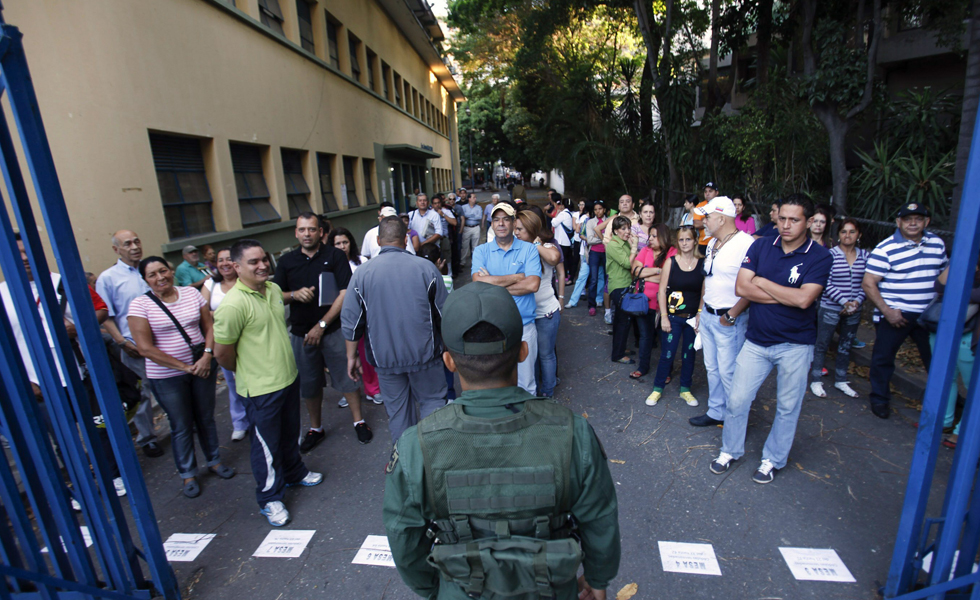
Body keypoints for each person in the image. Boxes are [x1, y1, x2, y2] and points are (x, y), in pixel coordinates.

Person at [382, 282, 621, 600]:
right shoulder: (573, 433)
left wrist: (436, 590)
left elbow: (404, 539)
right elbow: (599, 520)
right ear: (523, 352)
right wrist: (597, 579)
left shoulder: (416, 446)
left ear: (449, 361)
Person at [709, 194, 832, 484]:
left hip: (796, 344)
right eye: (782, 218)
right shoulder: (762, 245)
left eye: (795, 220)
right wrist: (785, 294)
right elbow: (742, 288)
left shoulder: (820, 256)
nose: (786, 225)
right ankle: (730, 450)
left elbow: (804, 300)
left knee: (788, 406)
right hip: (756, 341)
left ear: (809, 222)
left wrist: (762, 282)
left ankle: (772, 459)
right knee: (737, 400)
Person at [214, 239, 323, 526]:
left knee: (289, 435)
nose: (263, 265)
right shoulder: (233, 305)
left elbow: (282, 302)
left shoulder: (273, 290)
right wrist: (250, 369)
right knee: (265, 446)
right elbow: (223, 354)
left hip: (287, 378)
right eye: (254, 262)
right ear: (237, 267)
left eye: (264, 259)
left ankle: (295, 473)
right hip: (260, 389)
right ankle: (269, 498)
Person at [129, 256, 234, 498]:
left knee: (205, 417)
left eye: (163, 271)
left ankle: (214, 461)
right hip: (167, 376)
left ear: (171, 270)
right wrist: (184, 367)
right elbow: (145, 348)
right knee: (181, 424)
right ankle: (187, 473)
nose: (160, 277)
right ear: (145, 280)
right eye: (152, 274)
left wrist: (207, 356)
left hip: (203, 367)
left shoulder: (191, 294)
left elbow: (208, 327)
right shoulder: (139, 306)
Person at [341, 217, 449, 443]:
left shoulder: (362, 274)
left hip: (385, 360)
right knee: (433, 404)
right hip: (426, 356)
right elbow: (444, 314)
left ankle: (406, 464)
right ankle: (434, 459)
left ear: (379, 240)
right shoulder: (426, 269)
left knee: (399, 413)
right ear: (406, 239)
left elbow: (352, 321)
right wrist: (450, 349)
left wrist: (352, 356)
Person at [273, 213, 370, 448]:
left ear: (320, 232)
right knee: (309, 384)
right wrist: (294, 295)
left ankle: (359, 421)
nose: (307, 234)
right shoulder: (287, 262)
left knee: (348, 377)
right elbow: (274, 295)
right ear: (296, 233)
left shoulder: (334, 256)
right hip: (301, 334)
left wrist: (322, 325)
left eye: (312, 229)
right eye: (302, 229)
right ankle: (316, 428)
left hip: (333, 329)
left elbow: (345, 293)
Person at [862, 203, 948, 419]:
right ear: (898, 222)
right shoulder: (885, 249)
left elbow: (944, 277)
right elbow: (868, 282)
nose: (912, 223)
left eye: (918, 219)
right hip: (896, 312)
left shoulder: (937, 244)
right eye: (907, 219)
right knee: (883, 359)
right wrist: (887, 310)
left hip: (929, 314)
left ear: (926, 222)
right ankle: (880, 399)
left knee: (936, 360)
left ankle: (940, 408)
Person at [688, 197, 755, 428]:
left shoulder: (746, 243)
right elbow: (709, 278)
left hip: (729, 319)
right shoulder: (714, 243)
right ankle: (717, 411)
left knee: (729, 374)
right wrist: (700, 311)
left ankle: (736, 423)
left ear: (721, 218)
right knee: (713, 368)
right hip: (708, 315)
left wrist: (732, 315)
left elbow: (753, 284)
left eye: (707, 216)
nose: (703, 220)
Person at [96, 230, 163, 458]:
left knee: (172, 385)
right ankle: (147, 438)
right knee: (144, 392)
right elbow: (106, 314)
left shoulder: (150, 270)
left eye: (137, 241)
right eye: (127, 243)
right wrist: (121, 341)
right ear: (117, 250)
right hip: (134, 346)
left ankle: (182, 424)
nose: (134, 246)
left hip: (164, 341)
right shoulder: (108, 278)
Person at [472, 202, 542, 394]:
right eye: (496, 220)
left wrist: (492, 283)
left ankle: (526, 421)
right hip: (492, 327)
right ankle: (506, 422)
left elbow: (532, 285)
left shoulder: (529, 249)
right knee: (496, 381)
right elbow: (478, 283)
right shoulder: (481, 251)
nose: (501, 224)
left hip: (524, 326)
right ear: (492, 225)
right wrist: (517, 277)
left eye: (505, 219)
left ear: (513, 223)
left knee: (526, 383)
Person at [809, 218, 868, 399]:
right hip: (830, 307)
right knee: (822, 344)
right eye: (844, 232)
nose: (847, 235)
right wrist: (844, 301)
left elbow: (867, 282)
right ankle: (816, 379)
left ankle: (841, 379)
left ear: (859, 235)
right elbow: (825, 281)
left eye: (852, 232)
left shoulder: (865, 256)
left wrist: (856, 302)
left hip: (854, 309)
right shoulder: (830, 255)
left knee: (846, 345)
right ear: (838, 235)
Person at [647, 225, 703, 407]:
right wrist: (664, 316)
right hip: (672, 317)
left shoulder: (701, 262)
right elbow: (662, 290)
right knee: (667, 353)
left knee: (689, 354)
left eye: (688, 239)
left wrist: (700, 314)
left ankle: (685, 389)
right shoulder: (671, 262)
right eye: (681, 239)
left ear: (695, 240)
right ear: (677, 242)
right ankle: (657, 388)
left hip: (692, 317)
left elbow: (704, 291)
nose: (685, 243)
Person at [329, 227, 383, 407]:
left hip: (363, 316)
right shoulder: (328, 266)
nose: (342, 246)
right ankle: (350, 391)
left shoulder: (361, 262)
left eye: (345, 242)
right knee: (344, 357)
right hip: (338, 318)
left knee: (365, 354)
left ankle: (373, 389)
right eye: (337, 243)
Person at [201, 248, 249, 441]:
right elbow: (202, 311)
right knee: (232, 382)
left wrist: (221, 313)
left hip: (246, 338)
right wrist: (225, 314)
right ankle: (239, 422)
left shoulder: (245, 280)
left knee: (252, 380)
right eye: (220, 260)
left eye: (229, 259)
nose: (224, 263)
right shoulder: (210, 284)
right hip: (224, 340)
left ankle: (256, 416)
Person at [930, 265, 980, 449]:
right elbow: (940, 287)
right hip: (947, 329)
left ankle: (961, 431)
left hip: (971, 333)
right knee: (946, 377)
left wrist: (956, 292)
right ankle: (944, 421)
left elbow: (973, 295)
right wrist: (958, 261)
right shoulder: (965, 261)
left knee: (973, 387)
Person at [515, 211, 564, 398]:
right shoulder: (515, 250)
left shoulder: (545, 247)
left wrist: (535, 245)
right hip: (525, 315)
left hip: (546, 313)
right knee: (529, 358)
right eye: (516, 228)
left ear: (531, 230)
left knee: (546, 355)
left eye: (520, 229)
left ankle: (548, 392)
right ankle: (532, 392)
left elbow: (554, 258)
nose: (516, 232)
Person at [631, 223, 675, 379]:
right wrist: (658, 270)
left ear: (663, 237)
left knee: (665, 338)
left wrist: (645, 273)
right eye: (650, 235)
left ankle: (666, 371)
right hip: (644, 301)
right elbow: (635, 271)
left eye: (654, 236)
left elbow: (670, 277)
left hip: (664, 304)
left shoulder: (672, 252)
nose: (650, 239)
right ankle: (643, 367)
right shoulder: (645, 250)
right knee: (645, 336)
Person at [606, 216, 635, 365]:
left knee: (621, 320)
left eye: (628, 228)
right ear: (616, 231)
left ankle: (621, 348)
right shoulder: (613, 245)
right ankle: (618, 354)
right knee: (623, 321)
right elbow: (627, 263)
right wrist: (634, 247)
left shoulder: (623, 243)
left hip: (625, 284)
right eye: (623, 228)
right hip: (619, 286)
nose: (627, 231)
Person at [566, 199, 592, 308]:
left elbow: (577, 230)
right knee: (586, 274)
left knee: (592, 275)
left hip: (589, 250)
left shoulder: (585, 218)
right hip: (586, 250)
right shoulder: (586, 218)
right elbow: (578, 231)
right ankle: (577, 298)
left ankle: (576, 299)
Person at [585, 200, 608, 317]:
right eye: (595, 209)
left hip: (607, 253)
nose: (598, 211)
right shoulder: (590, 222)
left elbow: (612, 239)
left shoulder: (608, 221)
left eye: (600, 209)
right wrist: (604, 238)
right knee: (593, 279)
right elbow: (589, 240)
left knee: (607, 278)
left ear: (604, 209)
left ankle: (608, 305)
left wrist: (597, 236)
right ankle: (591, 305)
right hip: (594, 252)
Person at [550, 193, 577, 286]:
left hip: (561, 240)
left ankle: (564, 276)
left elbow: (553, 223)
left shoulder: (562, 214)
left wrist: (557, 213)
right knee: (568, 258)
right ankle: (568, 275)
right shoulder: (570, 214)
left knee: (563, 259)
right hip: (567, 241)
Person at [431, 195, 457, 276]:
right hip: (433, 239)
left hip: (444, 238)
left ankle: (449, 274)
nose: (437, 205)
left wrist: (443, 215)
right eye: (435, 203)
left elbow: (454, 223)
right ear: (432, 204)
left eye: (438, 203)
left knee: (447, 258)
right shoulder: (429, 213)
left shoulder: (446, 211)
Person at [693, 182, 720, 255]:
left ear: (717, 192)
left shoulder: (721, 205)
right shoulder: (700, 206)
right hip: (703, 243)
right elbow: (696, 224)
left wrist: (704, 220)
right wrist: (715, 222)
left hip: (719, 242)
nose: (707, 193)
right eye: (705, 191)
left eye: (710, 191)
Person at [459, 192, 483, 266]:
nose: (475, 199)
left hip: (476, 227)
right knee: (464, 246)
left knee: (475, 246)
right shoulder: (463, 207)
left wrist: (468, 216)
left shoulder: (479, 207)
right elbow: (462, 216)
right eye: (473, 197)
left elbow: (479, 217)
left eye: (475, 197)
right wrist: (473, 216)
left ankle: (474, 262)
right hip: (466, 228)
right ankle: (462, 262)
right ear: (469, 198)